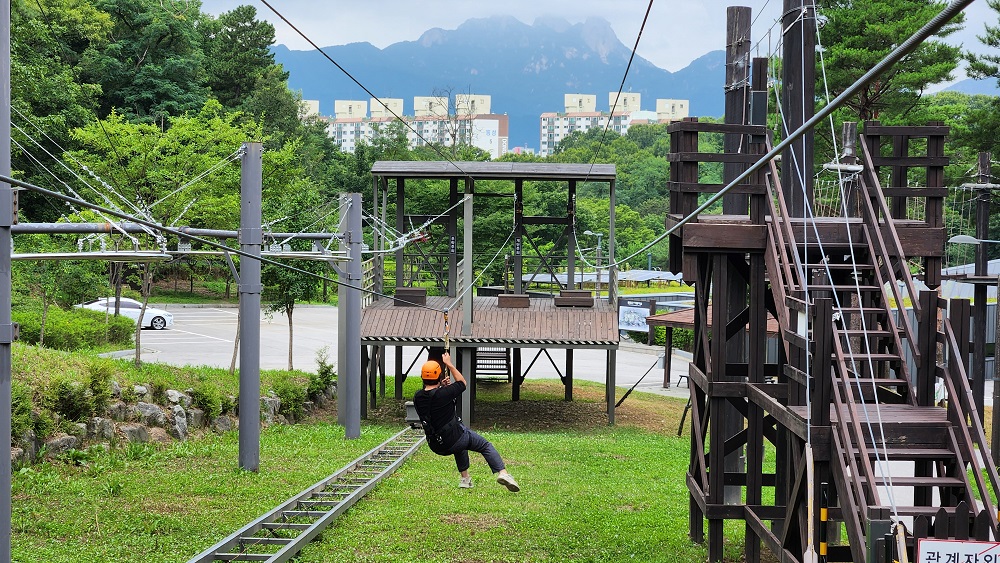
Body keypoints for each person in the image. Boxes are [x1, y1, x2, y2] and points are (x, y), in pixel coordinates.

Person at [412, 351, 520, 492]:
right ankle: (503, 473)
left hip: (436, 445)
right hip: (454, 439)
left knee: (459, 444)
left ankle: (465, 479)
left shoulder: (418, 397)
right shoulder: (445, 393)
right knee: (485, 445)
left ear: (422, 377)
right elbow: (462, 383)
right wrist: (449, 364)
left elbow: (431, 397)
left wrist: (442, 387)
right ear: (439, 376)